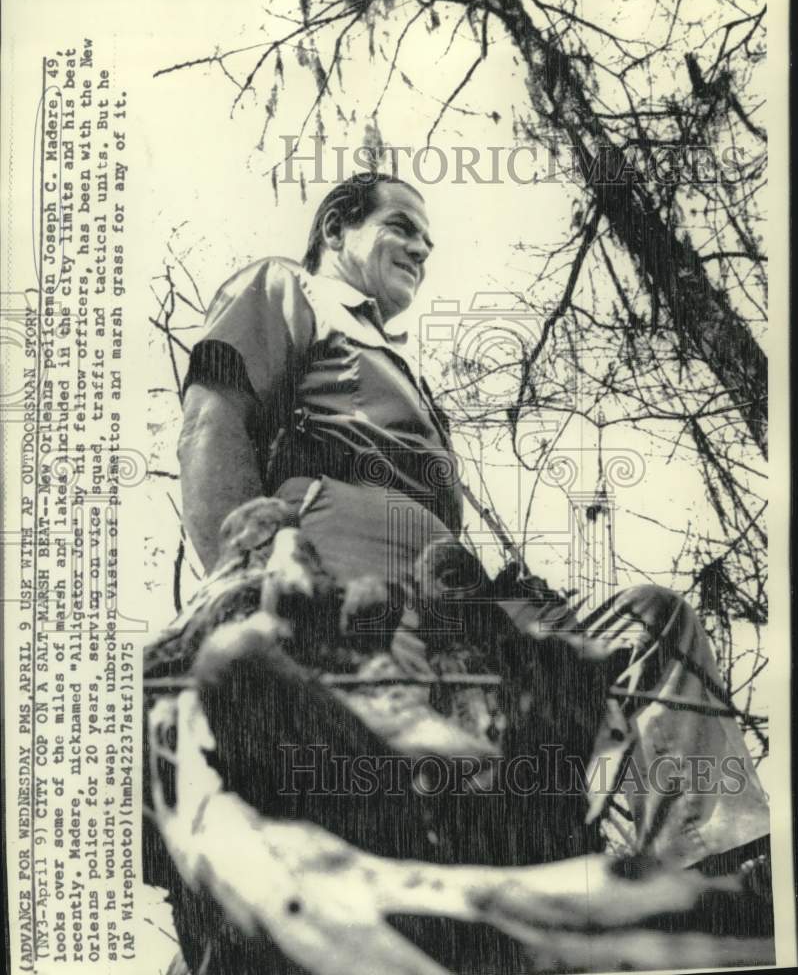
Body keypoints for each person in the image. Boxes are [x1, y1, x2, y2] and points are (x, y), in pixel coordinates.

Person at [178, 173, 770, 873]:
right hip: (346, 579)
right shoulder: (287, 290)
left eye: (429, 242)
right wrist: (240, 588)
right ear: (336, 228)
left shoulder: (407, 376)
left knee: (648, 628)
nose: (421, 250)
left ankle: (716, 878)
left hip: (458, 606)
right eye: (401, 226)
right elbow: (214, 421)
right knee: (406, 788)